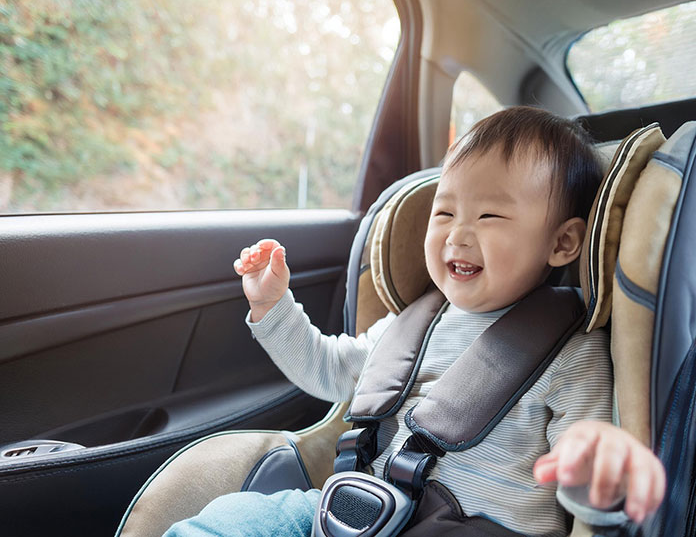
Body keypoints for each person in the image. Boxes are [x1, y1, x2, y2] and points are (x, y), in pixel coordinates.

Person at [165, 107, 665, 537]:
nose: (458, 234)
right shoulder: (412, 323)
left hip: (469, 528)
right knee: (235, 517)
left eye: (490, 217)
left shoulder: (573, 354)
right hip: (353, 513)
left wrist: (596, 467)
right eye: (444, 213)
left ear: (561, 244)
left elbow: (584, 468)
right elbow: (329, 370)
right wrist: (274, 308)